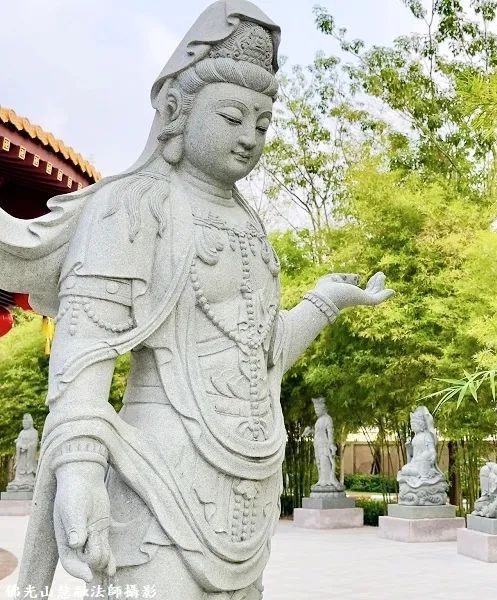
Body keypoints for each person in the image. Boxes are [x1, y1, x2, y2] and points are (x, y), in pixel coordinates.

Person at [3, 3, 393, 598]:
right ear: (176, 111)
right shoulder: (131, 206)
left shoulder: (251, 226)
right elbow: (83, 354)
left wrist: (324, 302)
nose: (249, 137)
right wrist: (79, 471)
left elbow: (261, 355)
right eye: (233, 116)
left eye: (262, 124)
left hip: (248, 487)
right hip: (155, 478)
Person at [7, 413, 38, 491]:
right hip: (21, 455)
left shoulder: (34, 432)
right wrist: (19, 445)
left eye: (25, 423)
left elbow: (34, 443)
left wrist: (26, 447)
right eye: (23, 423)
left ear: (30, 423)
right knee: (19, 468)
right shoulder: (22, 432)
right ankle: (18, 480)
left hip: (28, 456)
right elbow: (18, 442)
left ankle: (29, 480)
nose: (24, 424)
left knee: (28, 472)